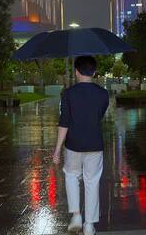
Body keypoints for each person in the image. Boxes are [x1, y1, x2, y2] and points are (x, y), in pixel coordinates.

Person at [53, 56, 109, 235]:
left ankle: (76, 215)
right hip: (95, 144)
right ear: (94, 71)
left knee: (71, 176)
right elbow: (98, 116)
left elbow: (64, 123)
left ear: (77, 71)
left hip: (73, 145)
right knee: (92, 182)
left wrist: (56, 150)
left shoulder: (68, 94)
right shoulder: (103, 94)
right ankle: (90, 225)